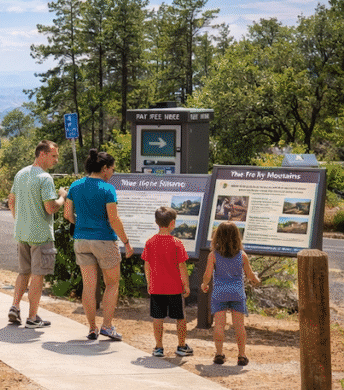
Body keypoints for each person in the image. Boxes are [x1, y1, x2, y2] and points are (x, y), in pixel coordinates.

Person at [63, 149, 132, 340]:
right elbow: (114, 219)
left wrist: (83, 226)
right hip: (104, 240)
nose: (112, 173)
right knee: (112, 284)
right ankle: (107, 326)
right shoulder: (107, 189)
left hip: (81, 240)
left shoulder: (75, 186)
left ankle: (92, 328)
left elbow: (67, 215)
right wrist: (126, 242)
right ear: (104, 169)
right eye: (112, 169)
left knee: (89, 286)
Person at [7, 140, 67, 328]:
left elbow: (11, 201)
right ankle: (33, 318)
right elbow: (50, 208)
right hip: (40, 234)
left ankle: (15, 307)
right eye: (53, 156)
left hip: (22, 232)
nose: (56, 160)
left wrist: (19, 221)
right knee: (38, 276)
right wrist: (62, 197)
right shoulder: (45, 178)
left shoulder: (20, 174)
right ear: (42, 154)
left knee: (23, 272)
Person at [201, 221, 261, 365]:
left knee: (219, 325)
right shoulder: (242, 255)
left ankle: (219, 354)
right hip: (237, 293)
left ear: (217, 237)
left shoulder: (213, 255)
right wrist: (257, 280)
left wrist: (204, 284)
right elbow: (250, 276)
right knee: (239, 325)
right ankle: (241, 355)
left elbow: (207, 275)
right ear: (237, 237)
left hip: (220, 292)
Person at [142, 206, 192, 357]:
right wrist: (186, 285)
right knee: (180, 317)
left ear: (157, 222)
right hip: (175, 288)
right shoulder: (177, 243)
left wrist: (149, 283)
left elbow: (147, 265)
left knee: (158, 317)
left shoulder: (150, 242)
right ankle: (181, 346)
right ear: (173, 223)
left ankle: (158, 347)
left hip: (157, 287)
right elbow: (181, 266)